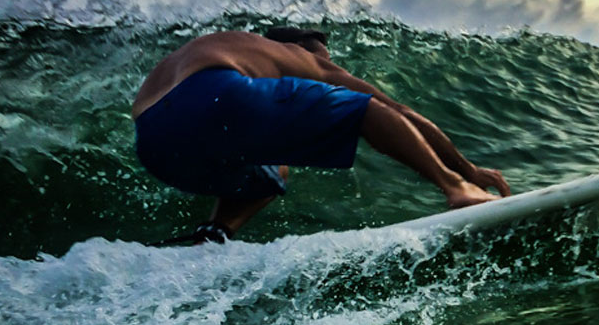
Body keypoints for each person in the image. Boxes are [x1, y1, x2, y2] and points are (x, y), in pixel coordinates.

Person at [132, 27, 509, 244]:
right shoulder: (302, 57)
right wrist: (467, 169)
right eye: (326, 57)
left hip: (154, 140)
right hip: (217, 92)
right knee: (366, 108)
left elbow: (189, 111)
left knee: (272, 173)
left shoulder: (230, 46)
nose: (330, 66)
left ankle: (213, 234)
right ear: (303, 47)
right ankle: (457, 189)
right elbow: (401, 113)